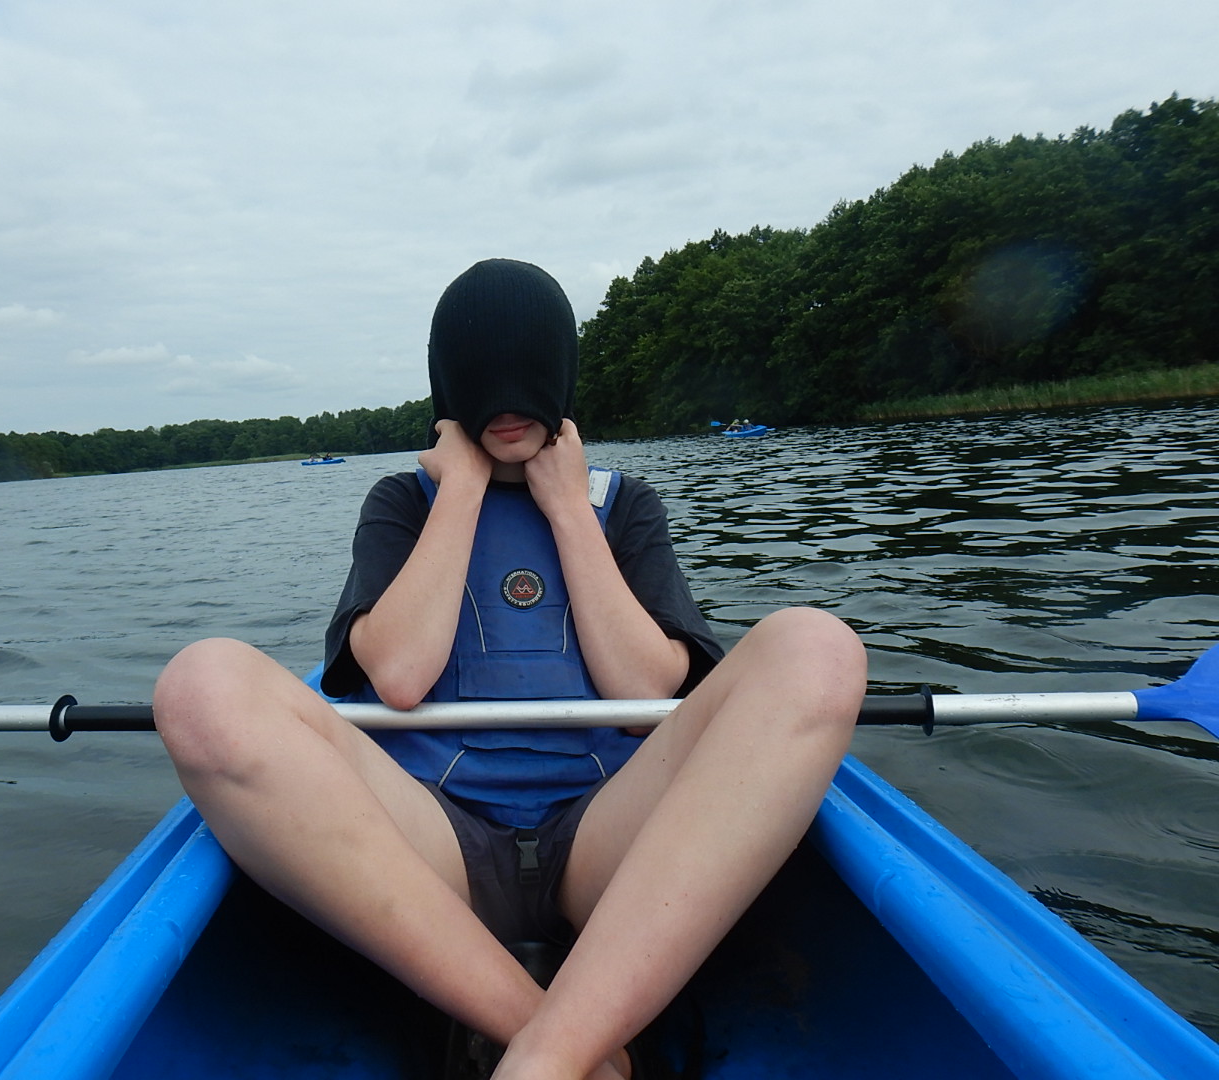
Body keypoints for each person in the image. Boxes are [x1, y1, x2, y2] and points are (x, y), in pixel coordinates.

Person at [153, 259, 866, 1080]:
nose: (507, 404)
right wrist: (460, 491)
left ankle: (543, 1059)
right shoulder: (401, 504)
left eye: (527, 374)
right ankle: (560, 1043)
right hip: (433, 846)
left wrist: (567, 508)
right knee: (203, 687)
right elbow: (401, 677)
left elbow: (644, 694)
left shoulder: (625, 507)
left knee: (815, 648)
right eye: (482, 378)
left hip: (606, 839)